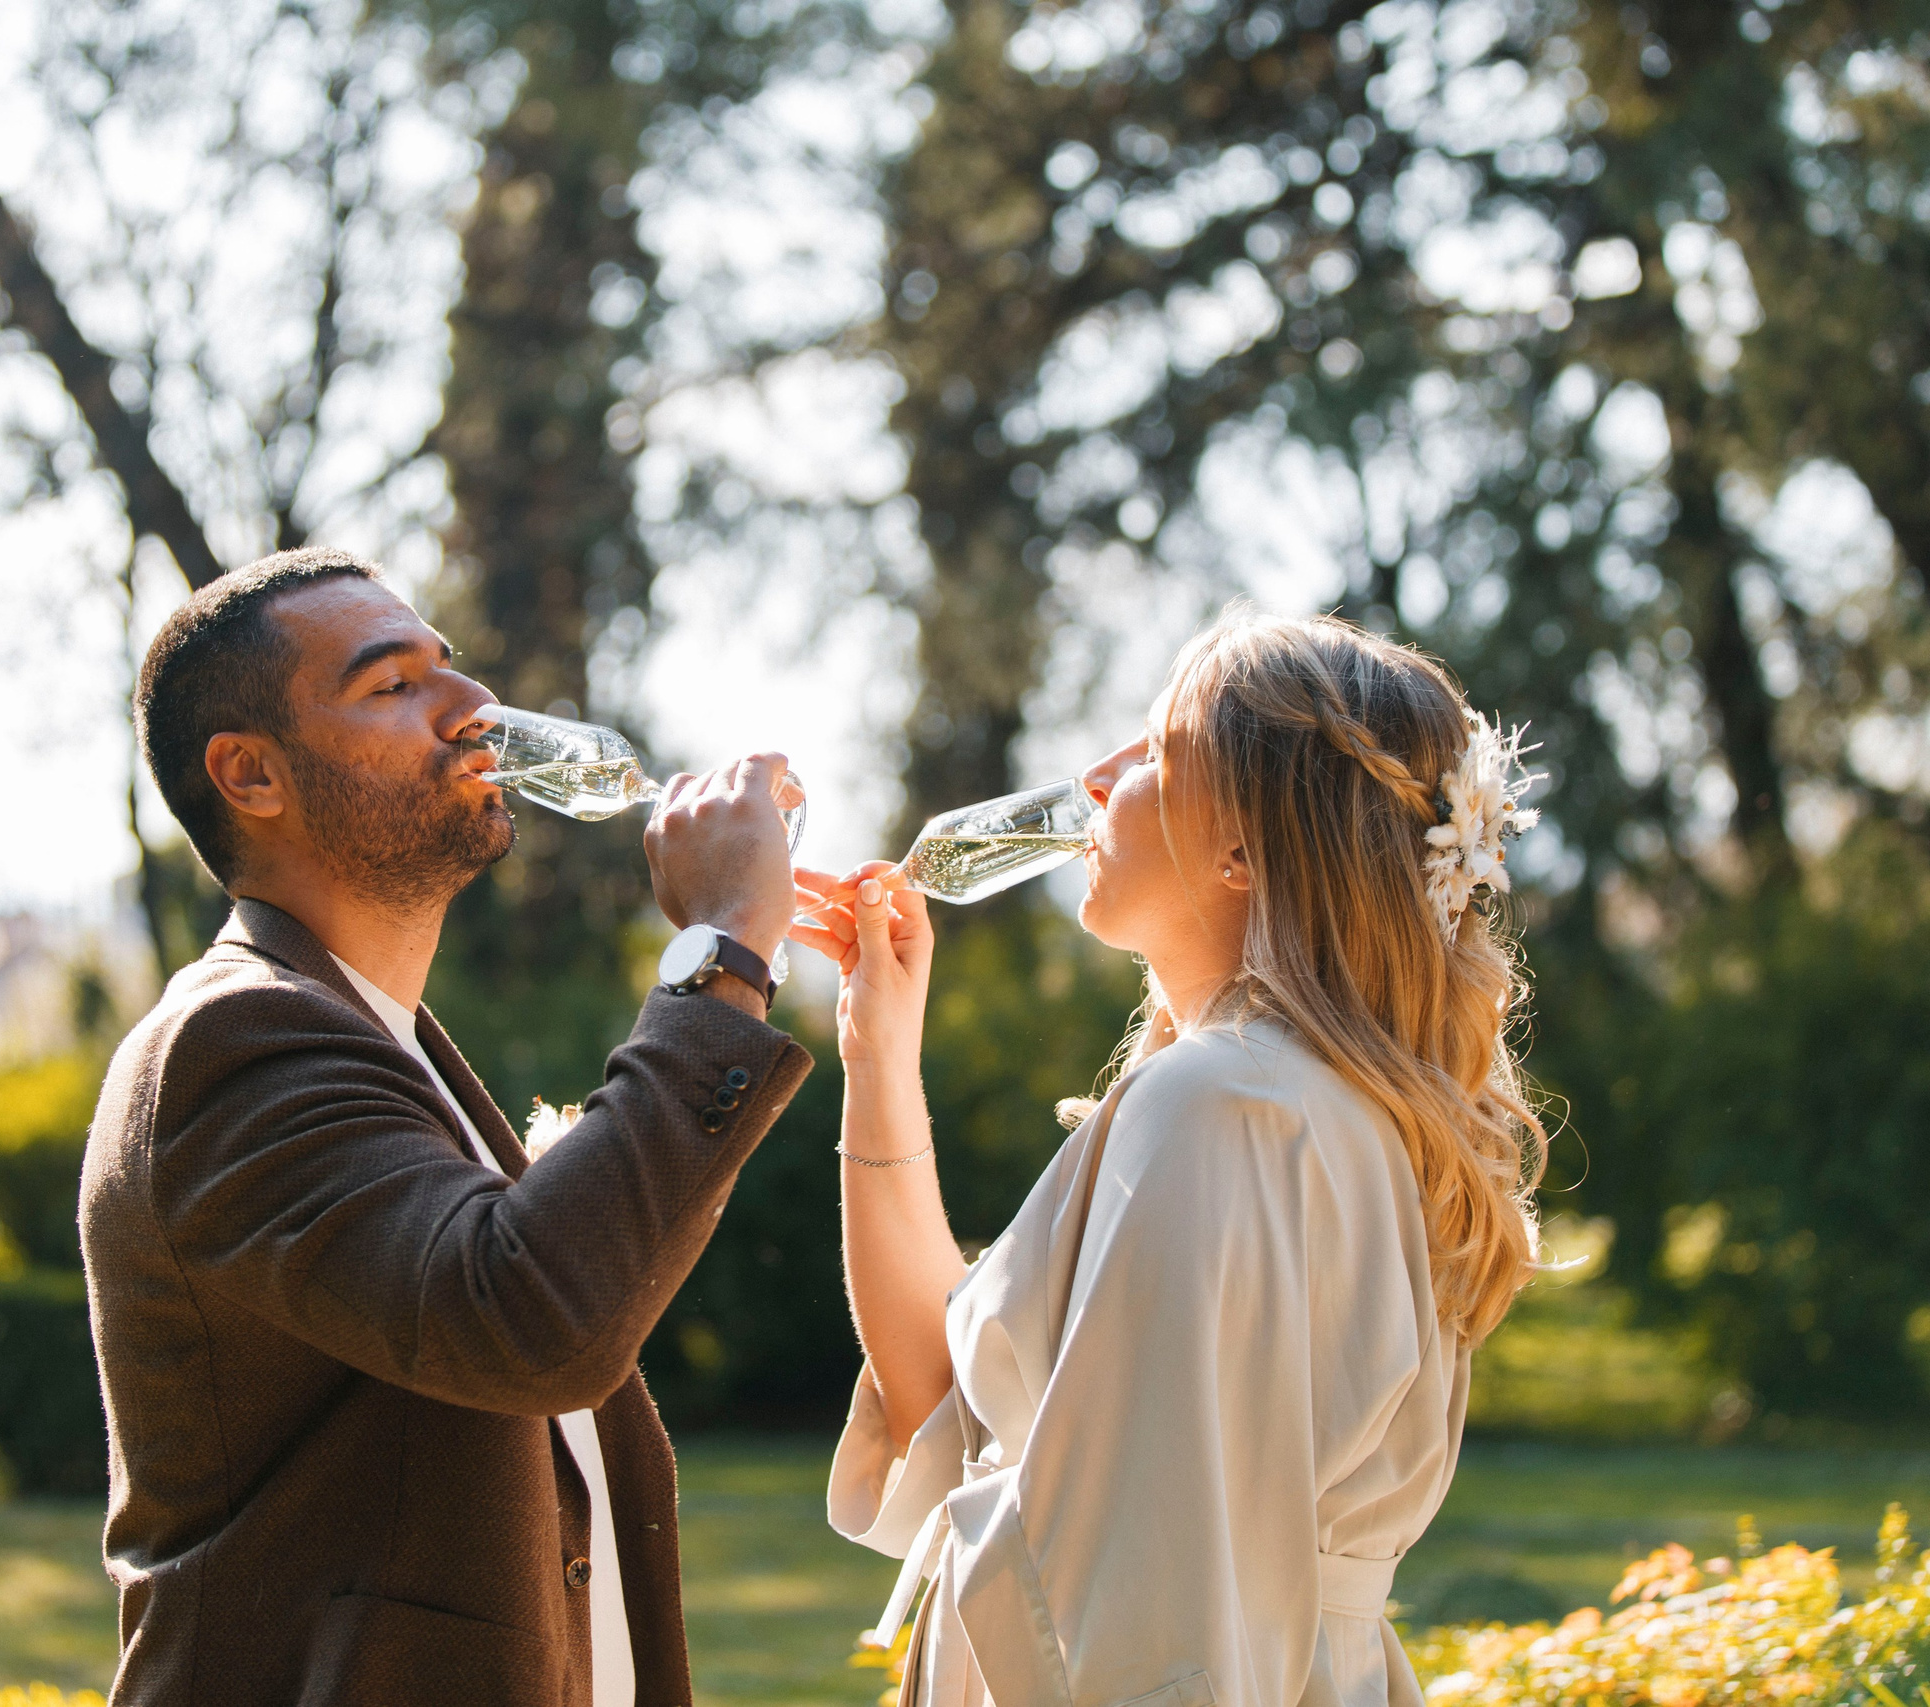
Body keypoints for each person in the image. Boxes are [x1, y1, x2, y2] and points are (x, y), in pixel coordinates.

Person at [82, 546, 812, 1706]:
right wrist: (722, 952)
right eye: (392, 686)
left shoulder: (385, 1045)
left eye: (450, 669)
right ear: (251, 776)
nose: (472, 708)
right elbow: (527, 1320)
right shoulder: (234, 1046)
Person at [791, 613, 1546, 1707]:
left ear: (1243, 846)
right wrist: (878, 1056)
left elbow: (1149, 1628)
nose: (1096, 778)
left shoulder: (1225, 1110)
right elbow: (952, 1413)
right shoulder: (1280, 1100)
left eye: (1150, 750)